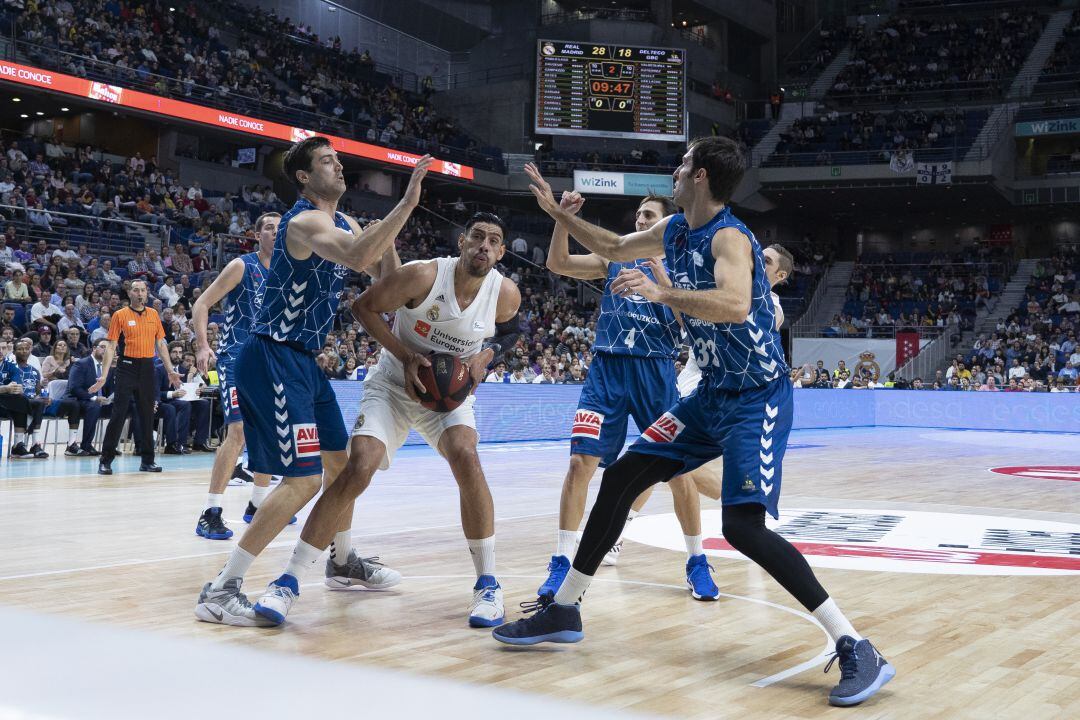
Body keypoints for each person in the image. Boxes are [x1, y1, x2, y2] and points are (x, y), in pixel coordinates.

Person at [493, 144, 894, 709]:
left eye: (681, 167)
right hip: (709, 395)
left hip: (755, 395)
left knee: (743, 529)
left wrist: (661, 292)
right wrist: (558, 214)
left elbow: (733, 303)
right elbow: (610, 246)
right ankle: (566, 606)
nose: (674, 173)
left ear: (700, 176)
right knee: (624, 473)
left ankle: (855, 644)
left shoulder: (730, 237)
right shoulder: (677, 229)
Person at [194, 137, 431, 627]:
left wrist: (407, 268)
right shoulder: (301, 221)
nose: (339, 166)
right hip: (272, 355)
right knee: (303, 480)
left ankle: (342, 561)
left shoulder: (348, 223)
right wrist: (405, 204)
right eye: (327, 160)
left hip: (305, 362)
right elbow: (360, 257)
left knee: (343, 467)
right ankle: (222, 588)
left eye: (339, 160)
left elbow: (384, 278)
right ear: (303, 176)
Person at [252, 211, 521, 629]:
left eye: (493, 240)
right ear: (462, 243)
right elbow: (364, 307)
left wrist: (487, 357)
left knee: (467, 456)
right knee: (358, 468)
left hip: (448, 395)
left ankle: (488, 584)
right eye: (477, 237)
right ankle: (287, 581)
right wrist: (407, 356)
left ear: (501, 252)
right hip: (395, 383)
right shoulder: (423, 276)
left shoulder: (504, 294)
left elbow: (510, 332)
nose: (484, 246)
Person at [537, 190, 719, 601]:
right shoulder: (615, 256)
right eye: (638, 214)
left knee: (677, 471)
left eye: (649, 215)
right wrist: (562, 219)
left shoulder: (684, 266)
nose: (640, 220)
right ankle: (563, 562)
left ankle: (697, 561)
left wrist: (663, 280)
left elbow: (693, 324)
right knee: (580, 462)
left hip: (655, 371)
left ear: (666, 223)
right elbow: (558, 263)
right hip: (608, 368)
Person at [190, 212, 288, 540]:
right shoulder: (241, 266)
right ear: (257, 234)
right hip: (236, 360)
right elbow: (202, 304)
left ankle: (257, 506)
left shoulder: (288, 273)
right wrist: (204, 346)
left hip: (270, 363)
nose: (275, 233)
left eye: (280, 228)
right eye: (269, 228)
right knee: (239, 433)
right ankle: (210, 512)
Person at [90, 279, 182, 474]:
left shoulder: (154, 314)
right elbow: (112, 346)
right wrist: (104, 376)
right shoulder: (120, 315)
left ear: (147, 293)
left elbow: (161, 344)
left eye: (143, 290)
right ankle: (105, 460)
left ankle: (147, 461)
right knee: (119, 413)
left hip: (148, 368)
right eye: (136, 290)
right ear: (129, 293)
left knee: (147, 414)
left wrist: (170, 371)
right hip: (126, 367)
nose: (140, 294)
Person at [0, 338, 50, 458]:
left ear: (8, 350)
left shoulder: (11, 365)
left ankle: (18, 446)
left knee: (21, 400)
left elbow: (17, 387)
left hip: (7, 402)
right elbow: (9, 388)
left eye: (3, 348)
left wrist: (10, 388)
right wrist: (5, 388)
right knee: (23, 401)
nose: (1, 351)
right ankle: (30, 429)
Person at [64, 338, 111, 456]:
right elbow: (74, 388)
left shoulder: (107, 367)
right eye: (103, 347)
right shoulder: (81, 364)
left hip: (101, 401)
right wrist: (94, 398)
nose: (106, 351)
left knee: (121, 407)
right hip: (79, 400)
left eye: (108, 348)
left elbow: (110, 388)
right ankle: (86, 445)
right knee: (94, 406)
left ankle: (111, 446)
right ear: (94, 348)